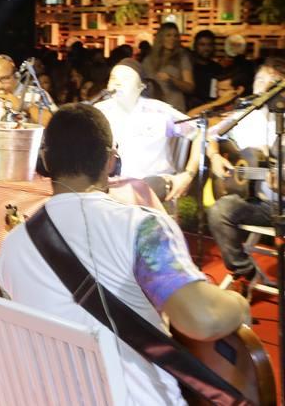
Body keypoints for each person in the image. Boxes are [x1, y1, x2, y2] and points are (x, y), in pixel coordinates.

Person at [0, 103, 250, 406]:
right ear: (110, 160)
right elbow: (204, 320)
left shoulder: (12, 245)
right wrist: (238, 304)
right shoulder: (142, 227)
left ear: (46, 160)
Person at [206, 57, 285, 297]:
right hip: (255, 201)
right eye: (259, 79)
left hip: (281, 204)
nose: (262, 85)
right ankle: (244, 271)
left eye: (271, 81)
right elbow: (212, 133)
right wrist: (215, 156)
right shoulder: (246, 114)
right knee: (220, 211)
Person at [95, 59, 201, 202]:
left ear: (141, 86)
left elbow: (199, 132)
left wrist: (188, 174)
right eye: (113, 79)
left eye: (126, 78)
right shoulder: (98, 113)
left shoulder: (159, 114)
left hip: (154, 185)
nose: (117, 83)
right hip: (110, 188)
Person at [0, 54, 55, 125]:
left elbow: (54, 125)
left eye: (5, 79)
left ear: (16, 75)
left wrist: (24, 106)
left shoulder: (37, 95)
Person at [141, 23, 194, 112]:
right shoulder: (148, 60)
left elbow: (190, 87)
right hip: (154, 109)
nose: (172, 39)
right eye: (168, 35)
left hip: (175, 109)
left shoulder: (182, 57)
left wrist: (172, 79)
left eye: (175, 36)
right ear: (161, 37)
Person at [189, 29, 224, 109]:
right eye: (202, 45)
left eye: (209, 44)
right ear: (195, 46)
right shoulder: (189, 67)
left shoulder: (217, 68)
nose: (206, 48)